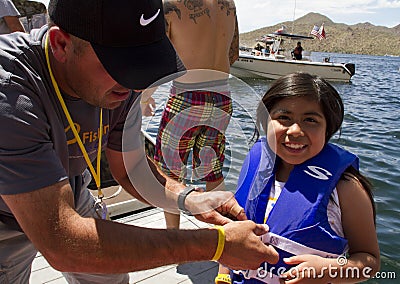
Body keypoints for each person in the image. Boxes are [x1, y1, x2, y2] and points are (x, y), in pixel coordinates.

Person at [0, 0, 279, 283]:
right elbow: (62, 242)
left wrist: (190, 198)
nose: (136, 85)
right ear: (61, 44)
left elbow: (131, 169)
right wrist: (215, 245)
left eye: (144, 65)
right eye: (122, 66)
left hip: (69, 188)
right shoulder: (9, 91)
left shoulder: (119, 86)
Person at [215, 72, 380, 283]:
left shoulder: (347, 188)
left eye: (310, 120)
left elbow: (370, 261)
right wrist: (223, 274)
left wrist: (332, 269)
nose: (295, 130)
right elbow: (235, 230)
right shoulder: (255, 165)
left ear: (328, 128)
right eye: (284, 118)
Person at [142, 0, 239, 229]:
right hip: (222, 97)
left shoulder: (170, 4)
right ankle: (229, 233)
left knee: (170, 173)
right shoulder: (228, 3)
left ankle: (174, 240)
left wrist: (145, 98)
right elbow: (233, 53)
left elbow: (159, 59)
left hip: (186, 98)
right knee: (213, 172)